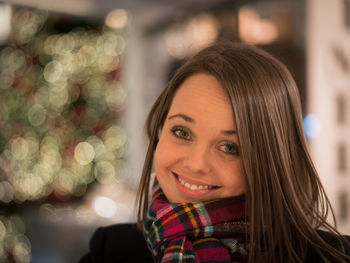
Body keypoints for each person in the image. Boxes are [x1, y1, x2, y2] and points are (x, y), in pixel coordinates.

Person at [79, 42, 350, 263]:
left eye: (229, 148)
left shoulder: (333, 257)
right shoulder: (111, 252)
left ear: (270, 159)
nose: (197, 163)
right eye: (182, 133)